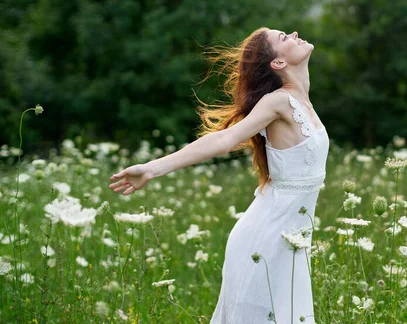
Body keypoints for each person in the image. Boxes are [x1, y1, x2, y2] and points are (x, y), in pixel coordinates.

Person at [108, 27, 329, 323]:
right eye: (283, 38)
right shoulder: (277, 102)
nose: (294, 33)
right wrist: (152, 168)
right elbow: (225, 139)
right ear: (277, 63)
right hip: (264, 240)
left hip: (293, 241)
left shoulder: (303, 102)